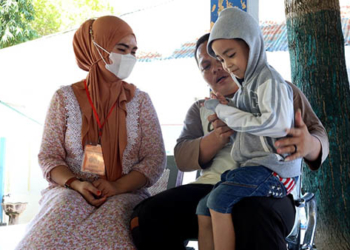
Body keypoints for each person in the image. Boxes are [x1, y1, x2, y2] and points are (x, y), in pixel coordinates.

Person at [130, 30, 329, 250]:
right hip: (211, 188)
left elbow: (318, 133)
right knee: (147, 216)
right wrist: (217, 137)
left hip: (271, 190)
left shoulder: (280, 89)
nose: (216, 67)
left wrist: (310, 145)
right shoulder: (201, 109)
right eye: (206, 66)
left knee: (251, 212)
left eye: (221, 58)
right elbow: (183, 158)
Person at [16, 15, 166, 249]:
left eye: (134, 51)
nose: (129, 57)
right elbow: (49, 156)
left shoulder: (140, 101)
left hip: (124, 194)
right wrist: (76, 184)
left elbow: (155, 159)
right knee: (51, 229)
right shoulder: (63, 99)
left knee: (114, 223)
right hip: (71, 191)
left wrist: (117, 186)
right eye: (122, 48)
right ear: (97, 49)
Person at [196, 7, 305, 250]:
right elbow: (248, 125)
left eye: (230, 55)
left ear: (252, 44)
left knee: (218, 200)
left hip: (275, 170)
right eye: (222, 59)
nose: (226, 65)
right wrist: (226, 110)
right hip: (255, 167)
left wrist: (225, 112)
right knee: (203, 207)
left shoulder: (269, 81)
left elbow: (273, 124)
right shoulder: (247, 87)